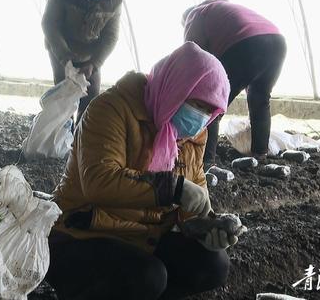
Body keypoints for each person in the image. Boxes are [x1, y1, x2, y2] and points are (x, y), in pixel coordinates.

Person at [45, 42, 238, 300]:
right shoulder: (111, 109)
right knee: (147, 275)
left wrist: (204, 230)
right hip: (81, 232)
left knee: (213, 264)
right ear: (175, 88)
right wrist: (174, 189)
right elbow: (99, 181)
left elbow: (193, 196)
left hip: (144, 236)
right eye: (196, 104)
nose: (201, 118)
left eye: (208, 111)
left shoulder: (191, 134)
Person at [182, 0, 287, 164]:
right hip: (277, 42)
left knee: (212, 102)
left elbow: (192, 54)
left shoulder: (195, 15)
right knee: (260, 98)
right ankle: (260, 153)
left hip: (246, 44)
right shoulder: (219, 9)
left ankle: (206, 160)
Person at [41, 0, 123, 124]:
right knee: (63, 92)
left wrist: (95, 63)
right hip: (61, 49)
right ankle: (63, 132)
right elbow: (49, 23)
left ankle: (82, 136)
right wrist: (64, 57)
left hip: (89, 54)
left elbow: (111, 36)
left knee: (91, 95)